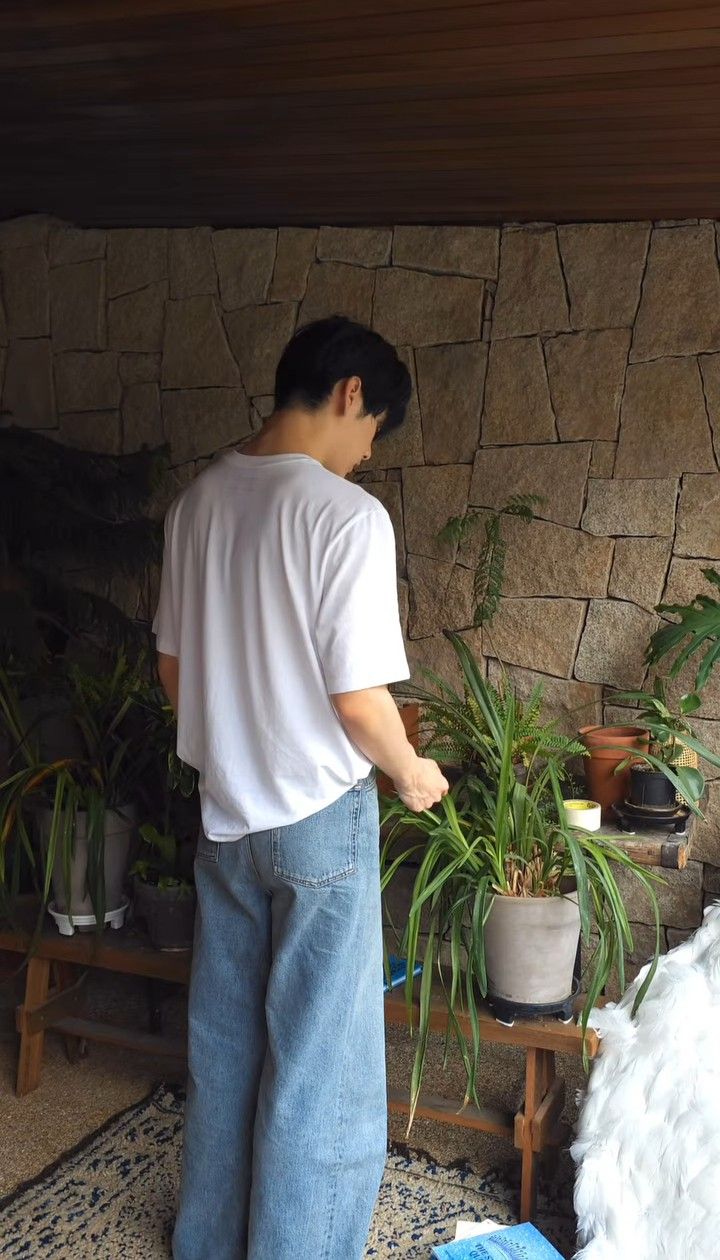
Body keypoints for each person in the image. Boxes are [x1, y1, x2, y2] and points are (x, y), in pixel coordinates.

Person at [153, 314, 449, 1260]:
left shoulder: (197, 502)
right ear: (351, 393)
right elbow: (359, 700)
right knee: (322, 1066)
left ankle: (210, 1243)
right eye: (373, 433)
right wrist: (411, 773)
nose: (365, 456)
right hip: (319, 822)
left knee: (227, 1046)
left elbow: (172, 673)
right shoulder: (344, 516)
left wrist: (235, 737)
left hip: (226, 817)